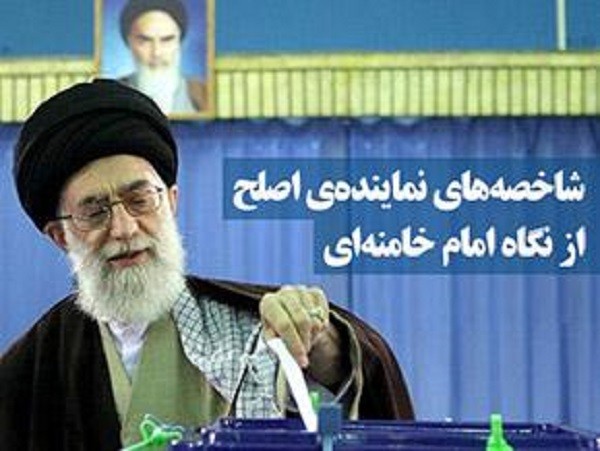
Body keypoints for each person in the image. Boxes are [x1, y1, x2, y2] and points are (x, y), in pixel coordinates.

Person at [0, 79, 413, 450]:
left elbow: (333, 389)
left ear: (171, 202)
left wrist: (319, 342)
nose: (124, 228)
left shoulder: (247, 328)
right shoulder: (27, 373)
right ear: (60, 235)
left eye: (140, 200)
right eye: (94, 212)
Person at [118, 0, 207, 114]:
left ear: (179, 42)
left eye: (167, 40)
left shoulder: (204, 94)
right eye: (145, 40)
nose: (157, 53)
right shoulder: (112, 95)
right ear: (129, 42)